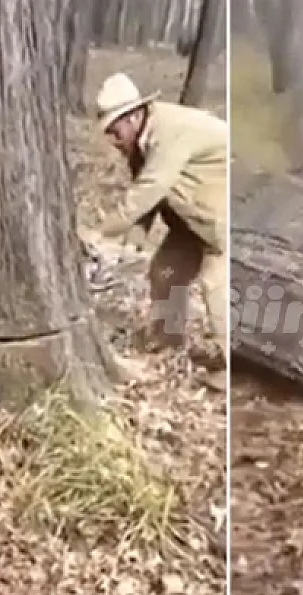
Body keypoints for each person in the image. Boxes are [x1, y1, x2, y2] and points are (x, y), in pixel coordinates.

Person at [93, 72, 228, 391]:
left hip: (225, 212)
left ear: (135, 115)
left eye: (115, 131)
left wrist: (101, 232)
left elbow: (151, 188)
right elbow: (147, 193)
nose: (113, 141)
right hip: (192, 217)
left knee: (216, 284)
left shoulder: (170, 132)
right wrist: (134, 239)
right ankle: (168, 343)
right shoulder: (141, 144)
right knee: (165, 272)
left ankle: (231, 365)